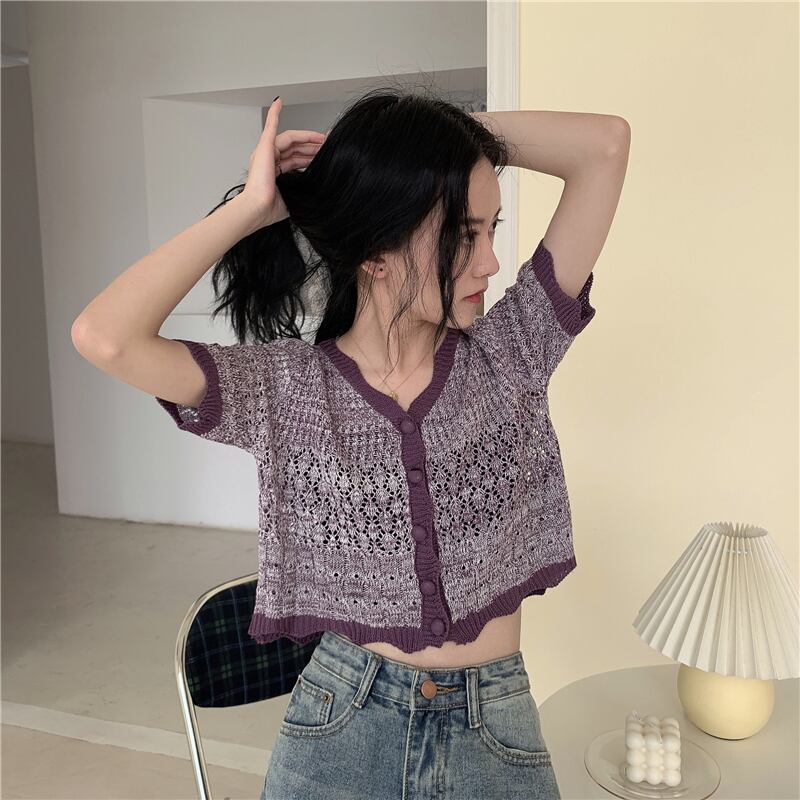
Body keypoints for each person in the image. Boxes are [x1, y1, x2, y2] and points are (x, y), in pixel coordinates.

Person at [72, 85, 629, 799]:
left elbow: (605, 145)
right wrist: (250, 209)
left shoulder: (511, 354)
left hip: (495, 728)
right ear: (375, 253)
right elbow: (105, 336)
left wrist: (414, 142)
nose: (490, 262)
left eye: (492, 230)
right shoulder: (286, 392)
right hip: (342, 728)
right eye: (465, 235)